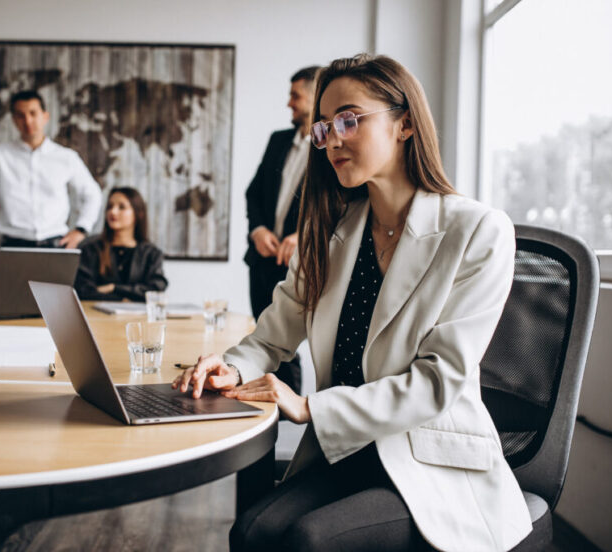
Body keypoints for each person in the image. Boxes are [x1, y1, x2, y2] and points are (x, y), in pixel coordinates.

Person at [174, 54, 532, 552]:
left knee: (307, 540)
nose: (332, 139)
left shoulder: (477, 231)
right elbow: (271, 336)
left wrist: (306, 407)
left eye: (349, 119)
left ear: (404, 122)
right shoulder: (332, 232)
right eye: (323, 128)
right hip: (346, 449)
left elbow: (438, 381)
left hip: (428, 460)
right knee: (252, 531)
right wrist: (231, 369)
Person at [244, 65, 320, 394]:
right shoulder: (278, 140)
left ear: (316, 96)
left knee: (287, 348)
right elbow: (254, 192)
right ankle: (262, 406)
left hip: (299, 261)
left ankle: (286, 416)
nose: (289, 103)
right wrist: (258, 229)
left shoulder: (330, 145)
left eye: (295, 96)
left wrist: (305, 234)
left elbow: (338, 202)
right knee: (262, 338)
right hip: (263, 259)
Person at [0, 89, 103, 248]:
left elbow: (92, 194)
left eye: (33, 113)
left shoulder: (67, 157)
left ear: (45, 116)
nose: (28, 120)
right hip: (13, 243)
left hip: (56, 243)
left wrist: (81, 229)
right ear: (13, 120)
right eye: (20, 115)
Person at [74, 186, 167, 302]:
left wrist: (113, 288)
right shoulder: (90, 248)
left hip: (137, 319)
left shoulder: (151, 253)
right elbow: (83, 290)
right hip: (96, 317)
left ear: (138, 213)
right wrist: (123, 298)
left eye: (121, 207)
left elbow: (156, 289)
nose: (113, 212)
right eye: (110, 207)